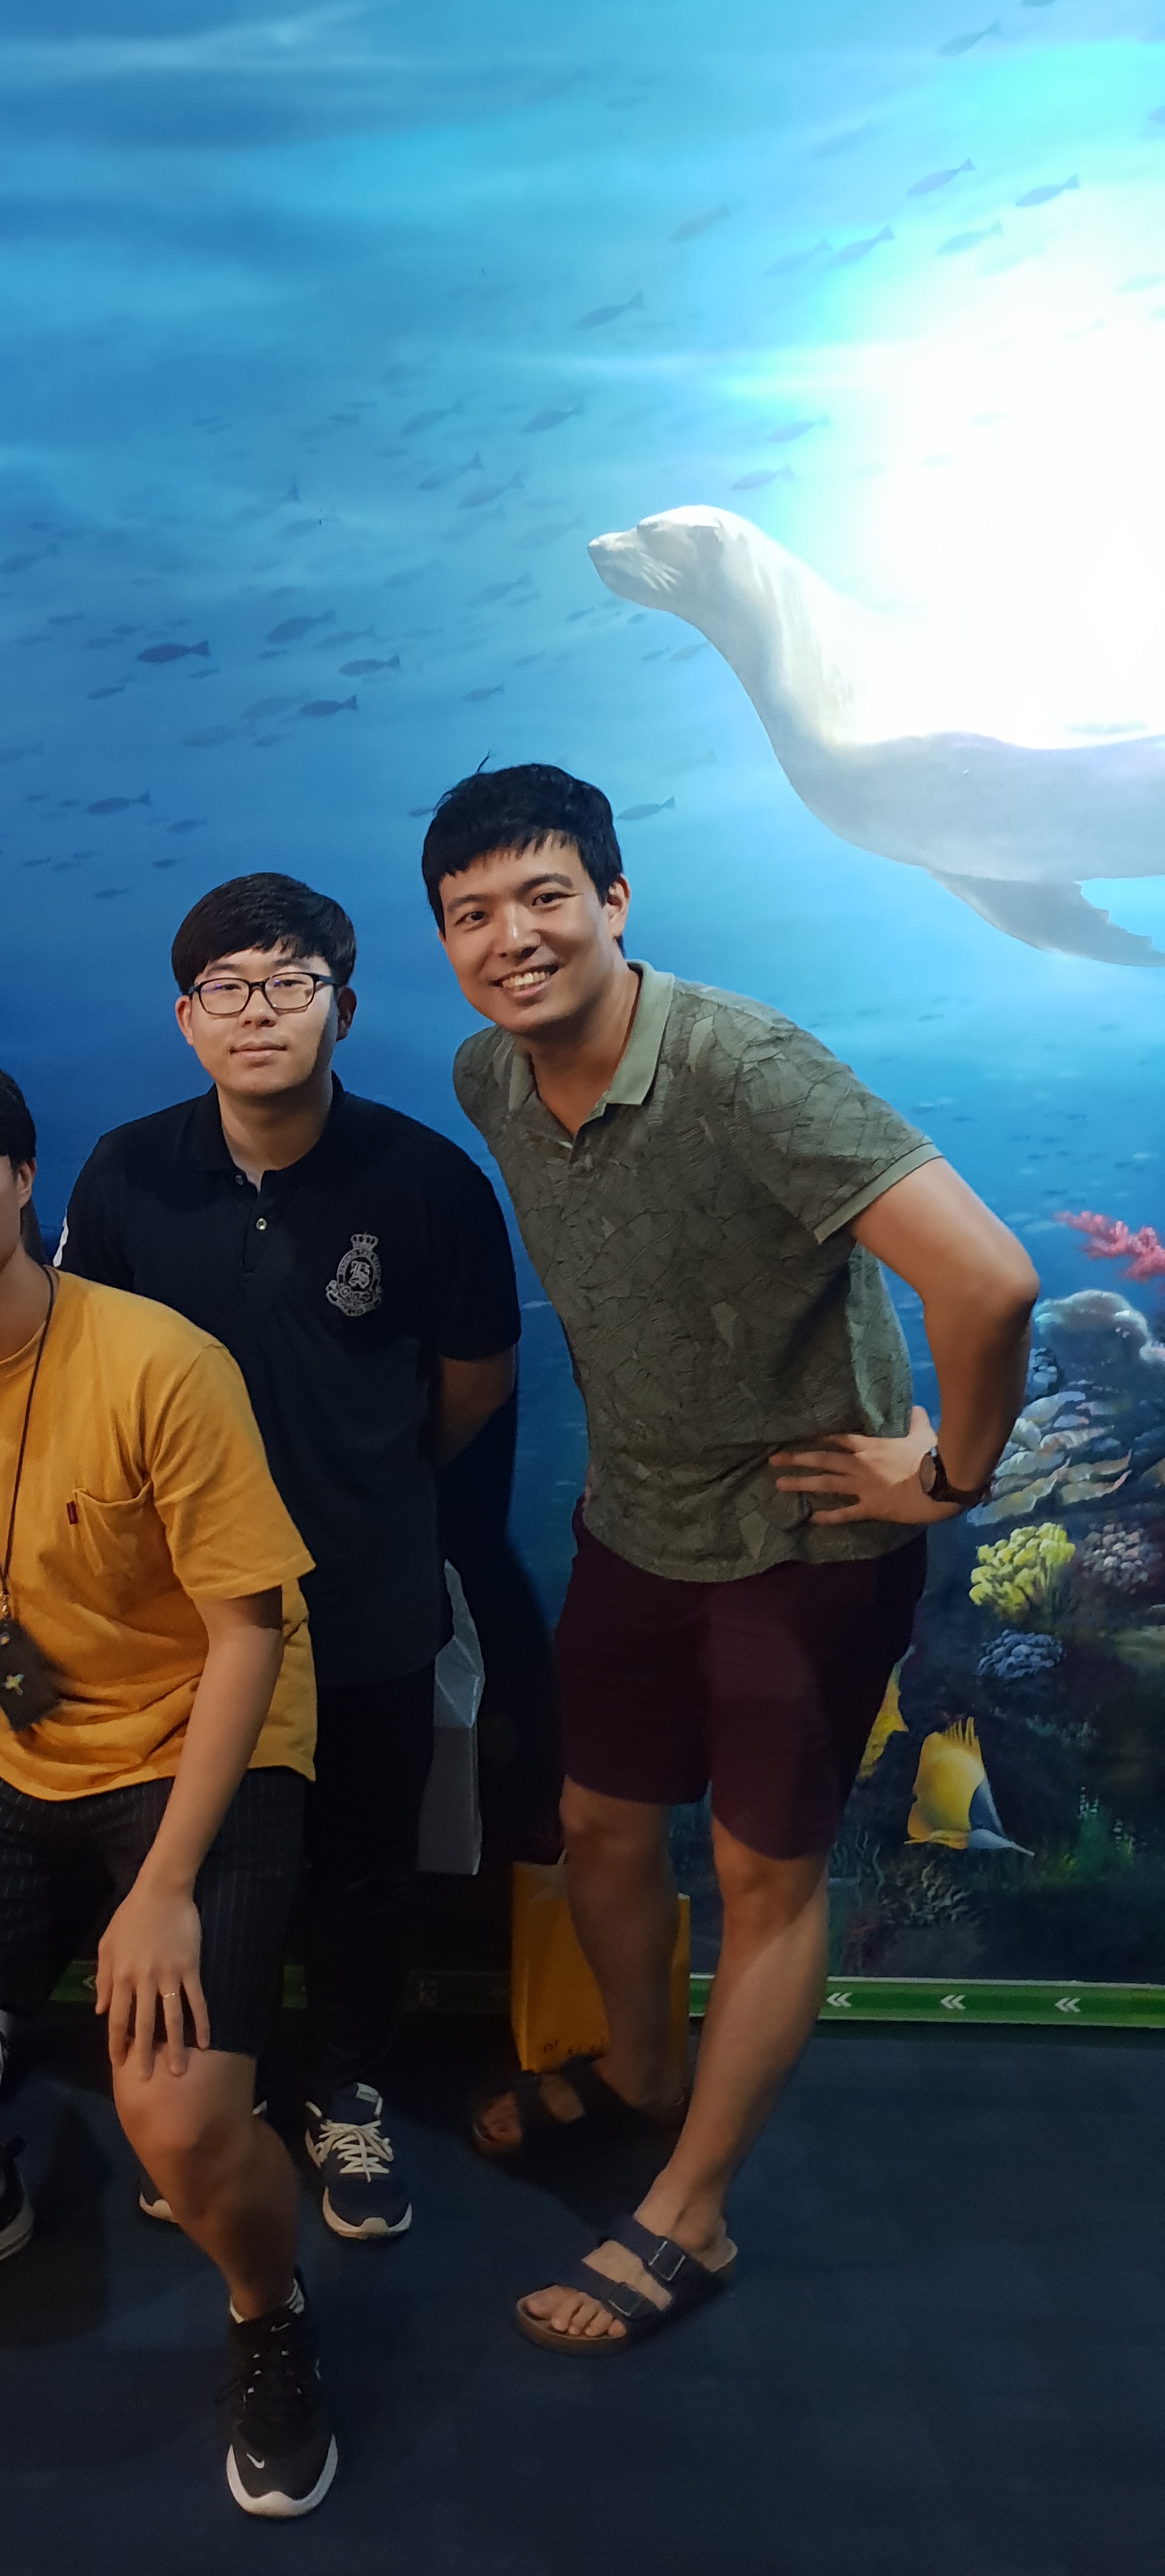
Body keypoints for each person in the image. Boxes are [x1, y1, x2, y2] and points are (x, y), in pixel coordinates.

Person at [428, 763, 1036, 2351]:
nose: (512, 938)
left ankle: (690, 2215)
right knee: (600, 1829)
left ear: (616, 902)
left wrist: (950, 1476)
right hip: (635, 1527)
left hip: (806, 1541)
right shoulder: (489, 1079)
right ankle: (641, 2069)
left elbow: (989, 1282)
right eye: (472, 914)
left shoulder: (742, 1067)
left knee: (767, 1875)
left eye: (546, 896)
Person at [0, 1044, 337, 2521]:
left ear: (24, 1176)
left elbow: (249, 1633)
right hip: (22, 1750)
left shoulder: (161, 1362)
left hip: (205, 1739)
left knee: (177, 2119)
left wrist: (164, 1889)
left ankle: (269, 2311)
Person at [57, 873, 519, 2240]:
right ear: (186, 1019)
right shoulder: (126, 1173)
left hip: (365, 1589)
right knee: (208, 1864)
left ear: (344, 1008)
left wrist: (366, 1482)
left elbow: (474, 1382)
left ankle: (349, 2090)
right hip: (183, 1612)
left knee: (363, 1861)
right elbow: (86, 1370)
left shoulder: (428, 1181)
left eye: (289, 984)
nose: (256, 1012)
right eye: (225, 989)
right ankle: (223, 2098)